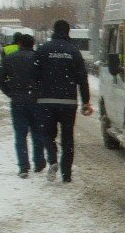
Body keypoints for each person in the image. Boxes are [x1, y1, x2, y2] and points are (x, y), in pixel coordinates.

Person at [33, 20, 92, 183]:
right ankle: (66, 174)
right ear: (68, 32)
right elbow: (82, 78)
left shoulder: (44, 49)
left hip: (46, 101)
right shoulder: (74, 51)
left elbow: (34, 73)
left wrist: (38, 91)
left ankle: (52, 160)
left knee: (48, 135)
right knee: (68, 138)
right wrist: (85, 100)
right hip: (68, 102)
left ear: (54, 30)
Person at [0, 33, 44, 178]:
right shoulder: (39, 59)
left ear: (20, 44)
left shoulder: (10, 58)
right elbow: (46, 78)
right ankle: (39, 162)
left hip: (18, 101)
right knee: (37, 133)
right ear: (33, 44)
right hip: (36, 101)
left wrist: (9, 92)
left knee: (20, 135)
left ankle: (23, 166)